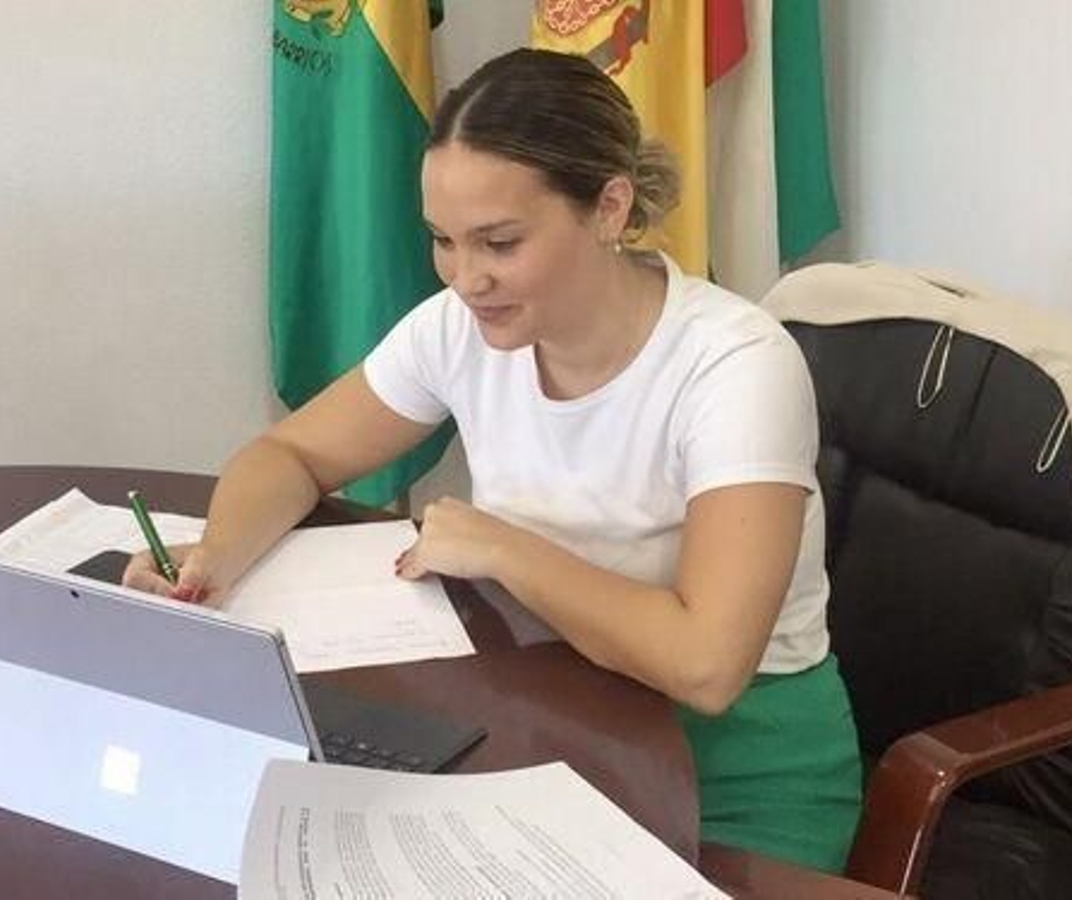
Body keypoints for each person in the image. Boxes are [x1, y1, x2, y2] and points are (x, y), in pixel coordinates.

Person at [125, 47, 862, 872]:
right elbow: (290, 453)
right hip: (555, 715)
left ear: (609, 207)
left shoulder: (735, 365)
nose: (466, 278)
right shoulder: (461, 327)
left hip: (739, 766)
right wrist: (216, 557)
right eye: (443, 240)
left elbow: (708, 666)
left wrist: (507, 550)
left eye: (500, 242)